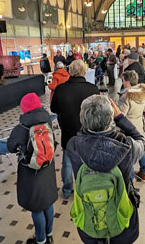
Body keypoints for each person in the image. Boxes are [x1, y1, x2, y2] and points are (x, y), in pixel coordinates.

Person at [66, 95, 145, 244]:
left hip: (90, 224)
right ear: (111, 118)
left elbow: (83, 135)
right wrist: (120, 118)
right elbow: (142, 141)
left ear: (82, 118)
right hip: (123, 222)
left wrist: (89, 118)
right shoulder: (126, 145)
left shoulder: (74, 146)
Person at [8, 93, 58, 244]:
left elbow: (10, 147)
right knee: (47, 203)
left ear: (24, 109)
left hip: (30, 172)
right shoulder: (48, 122)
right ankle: (49, 235)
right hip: (48, 168)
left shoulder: (21, 128)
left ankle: (40, 240)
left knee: (36, 208)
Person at [50, 60, 99, 199]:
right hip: (88, 131)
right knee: (88, 161)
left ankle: (66, 190)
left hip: (68, 131)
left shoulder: (61, 89)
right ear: (84, 72)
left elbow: (54, 109)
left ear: (70, 72)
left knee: (67, 162)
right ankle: (85, 188)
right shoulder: (92, 89)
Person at [118, 70, 145, 181]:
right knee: (140, 148)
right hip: (139, 126)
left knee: (129, 155)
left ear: (127, 82)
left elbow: (121, 115)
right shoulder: (143, 93)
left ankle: (130, 179)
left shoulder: (126, 97)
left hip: (128, 128)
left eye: (123, 80)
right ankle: (143, 172)